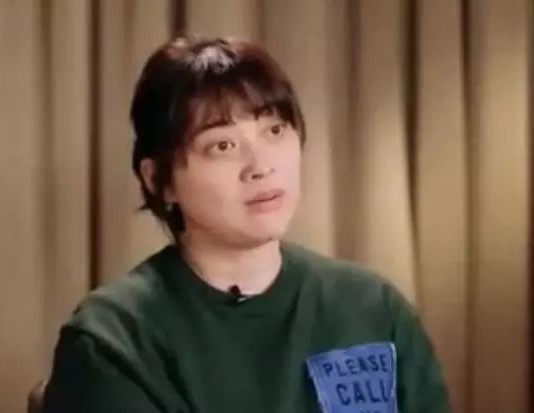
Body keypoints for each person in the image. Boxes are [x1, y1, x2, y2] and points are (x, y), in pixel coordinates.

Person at [42, 36, 450, 413]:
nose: (261, 166)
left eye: (275, 130)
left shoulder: (372, 308)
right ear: (159, 181)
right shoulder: (113, 340)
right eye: (223, 145)